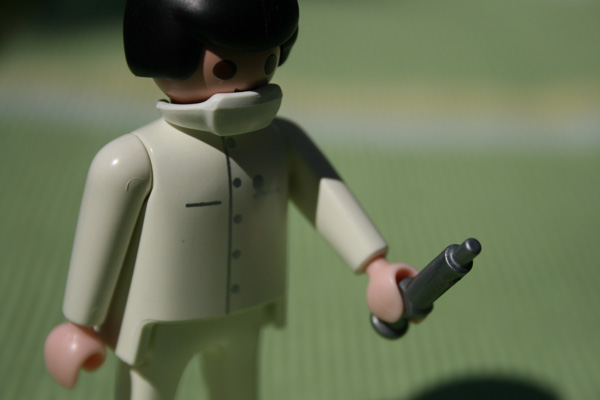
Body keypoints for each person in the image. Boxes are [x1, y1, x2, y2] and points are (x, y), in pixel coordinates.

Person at [44, 0, 417, 399]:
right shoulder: (133, 159)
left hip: (246, 312)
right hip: (161, 318)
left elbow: (325, 193)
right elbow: (101, 244)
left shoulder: (281, 140)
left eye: (269, 61)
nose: (251, 80)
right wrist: (80, 323)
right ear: (163, 49)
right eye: (226, 67)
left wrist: (376, 266)